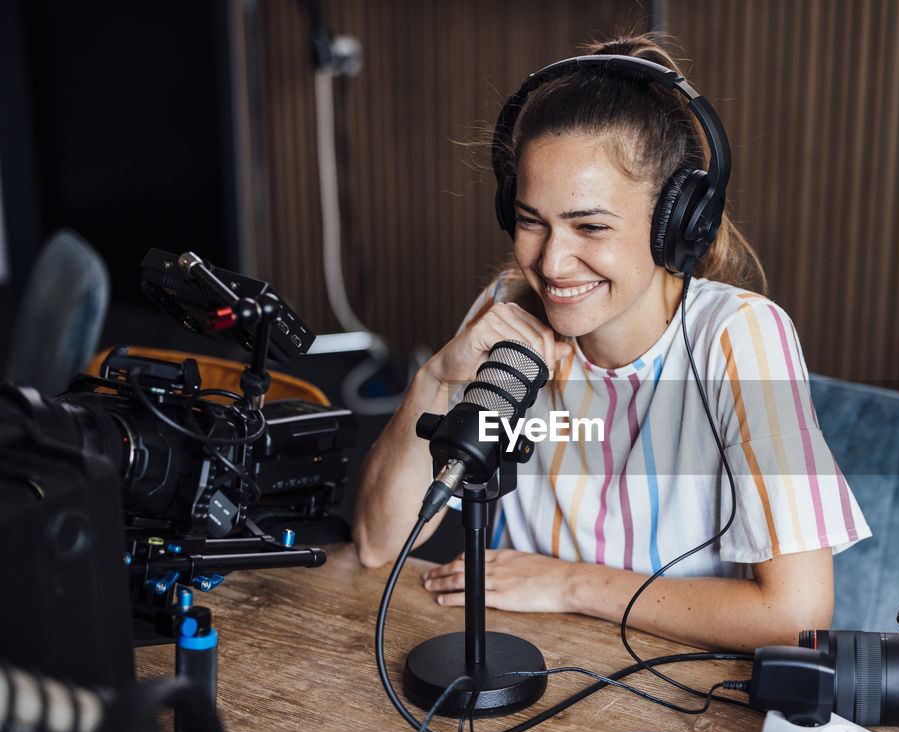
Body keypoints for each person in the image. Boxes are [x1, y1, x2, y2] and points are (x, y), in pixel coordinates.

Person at [352, 34, 869, 653]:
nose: (551, 261)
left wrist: (570, 584)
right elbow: (378, 542)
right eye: (529, 220)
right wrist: (435, 379)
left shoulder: (738, 336)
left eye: (590, 226)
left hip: (673, 679)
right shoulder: (506, 314)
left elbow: (798, 615)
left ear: (676, 222)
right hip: (528, 654)